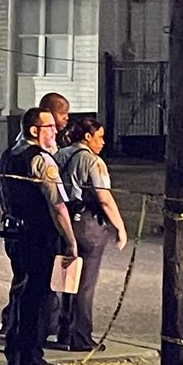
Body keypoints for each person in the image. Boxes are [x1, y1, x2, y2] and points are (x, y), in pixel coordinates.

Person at [0, 107, 78, 365]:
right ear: (34, 130)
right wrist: (71, 241)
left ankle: (15, 354)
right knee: (39, 299)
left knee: (21, 293)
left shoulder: (7, 156)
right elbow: (57, 205)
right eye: (50, 127)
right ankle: (32, 360)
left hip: (14, 234)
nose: (56, 131)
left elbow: (1, 196)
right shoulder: (42, 161)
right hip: (38, 237)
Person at [52, 117, 128, 352]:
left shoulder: (59, 155)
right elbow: (104, 199)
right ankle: (81, 338)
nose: (103, 142)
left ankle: (64, 331)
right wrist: (120, 228)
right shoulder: (93, 162)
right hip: (86, 225)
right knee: (85, 284)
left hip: (61, 222)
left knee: (68, 280)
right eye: (100, 137)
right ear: (87, 137)